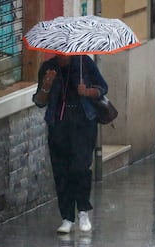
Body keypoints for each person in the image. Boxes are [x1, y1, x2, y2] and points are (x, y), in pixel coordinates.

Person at [33, 55, 108, 233]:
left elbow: (102, 87)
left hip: (83, 123)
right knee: (61, 171)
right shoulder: (48, 67)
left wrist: (87, 92)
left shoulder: (84, 63)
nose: (62, 54)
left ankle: (83, 211)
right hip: (58, 124)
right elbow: (39, 101)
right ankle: (67, 217)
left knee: (80, 167)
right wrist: (46, 86)